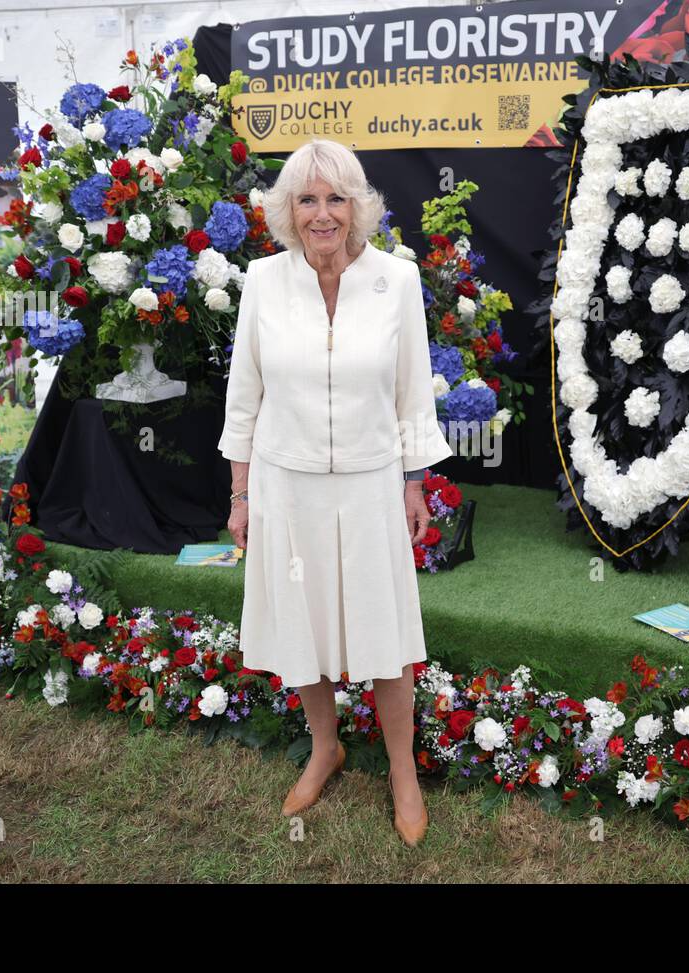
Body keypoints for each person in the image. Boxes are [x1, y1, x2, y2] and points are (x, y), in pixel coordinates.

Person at [219, 138, 454, 847]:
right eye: (308, 199)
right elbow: (245, 391)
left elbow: (414, 390)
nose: (323, 214)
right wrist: (240, 492)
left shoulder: (398, 281)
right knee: (304, 626)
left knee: (382, 637)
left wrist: (416, 482)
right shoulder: (262, 280)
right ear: (289, 211)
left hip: (371, 484)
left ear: (358, 207)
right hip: (284, 485)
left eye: (336, 198)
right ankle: (326, 746)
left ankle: (401, 769)